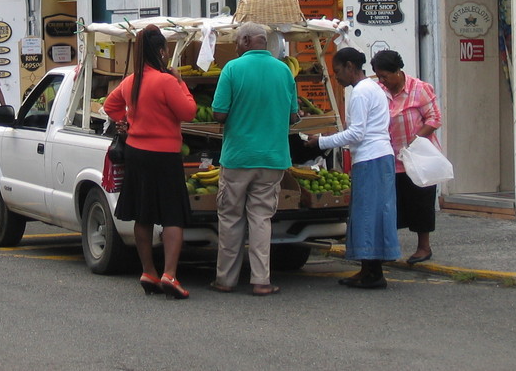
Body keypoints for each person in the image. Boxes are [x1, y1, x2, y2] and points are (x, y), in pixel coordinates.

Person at [103, 25, 197, 299]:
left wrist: (126, 122)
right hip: (165, 154)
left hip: (136, 152)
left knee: (143, 214)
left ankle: (148, 270)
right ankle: (170, 274)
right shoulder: (167, 81)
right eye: (165, 49)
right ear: (160, 51)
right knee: (172, 214)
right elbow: (188, 112)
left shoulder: (132, 81)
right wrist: (182, 84)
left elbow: (110, 106)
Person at [208, 21, 297, 296]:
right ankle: (261, 280)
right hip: (272, 158)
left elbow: (219, 114)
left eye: (236, 42)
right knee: (261, 219)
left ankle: (225, 279)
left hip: (237, 157)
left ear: (246, 41)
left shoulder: (232, 69)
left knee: (231, 218)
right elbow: (294, 117)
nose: (235, 47)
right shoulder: (284, 71)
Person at [310, 47, 400, 289]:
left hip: (370, 157)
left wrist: (321, 141)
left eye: (338, 71)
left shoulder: (360, 93)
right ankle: (369, 269)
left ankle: (372, 271)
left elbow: (357, 133)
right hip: (380, 156)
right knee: (374, 213)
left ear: (350, 67)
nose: (336, 77)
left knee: (366, 214)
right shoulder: (374, 88)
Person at [371, 49, 443, 265]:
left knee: (420, 203)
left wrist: (415, 140)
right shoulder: (378, 91)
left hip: (417, 158)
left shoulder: (419, 89)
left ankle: (423, 247)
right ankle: (390, 247)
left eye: (385, 76)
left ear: (398, 71)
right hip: (390, 158)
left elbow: (434, 119)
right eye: (379, 76)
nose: (383, 81)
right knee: (391, 204)